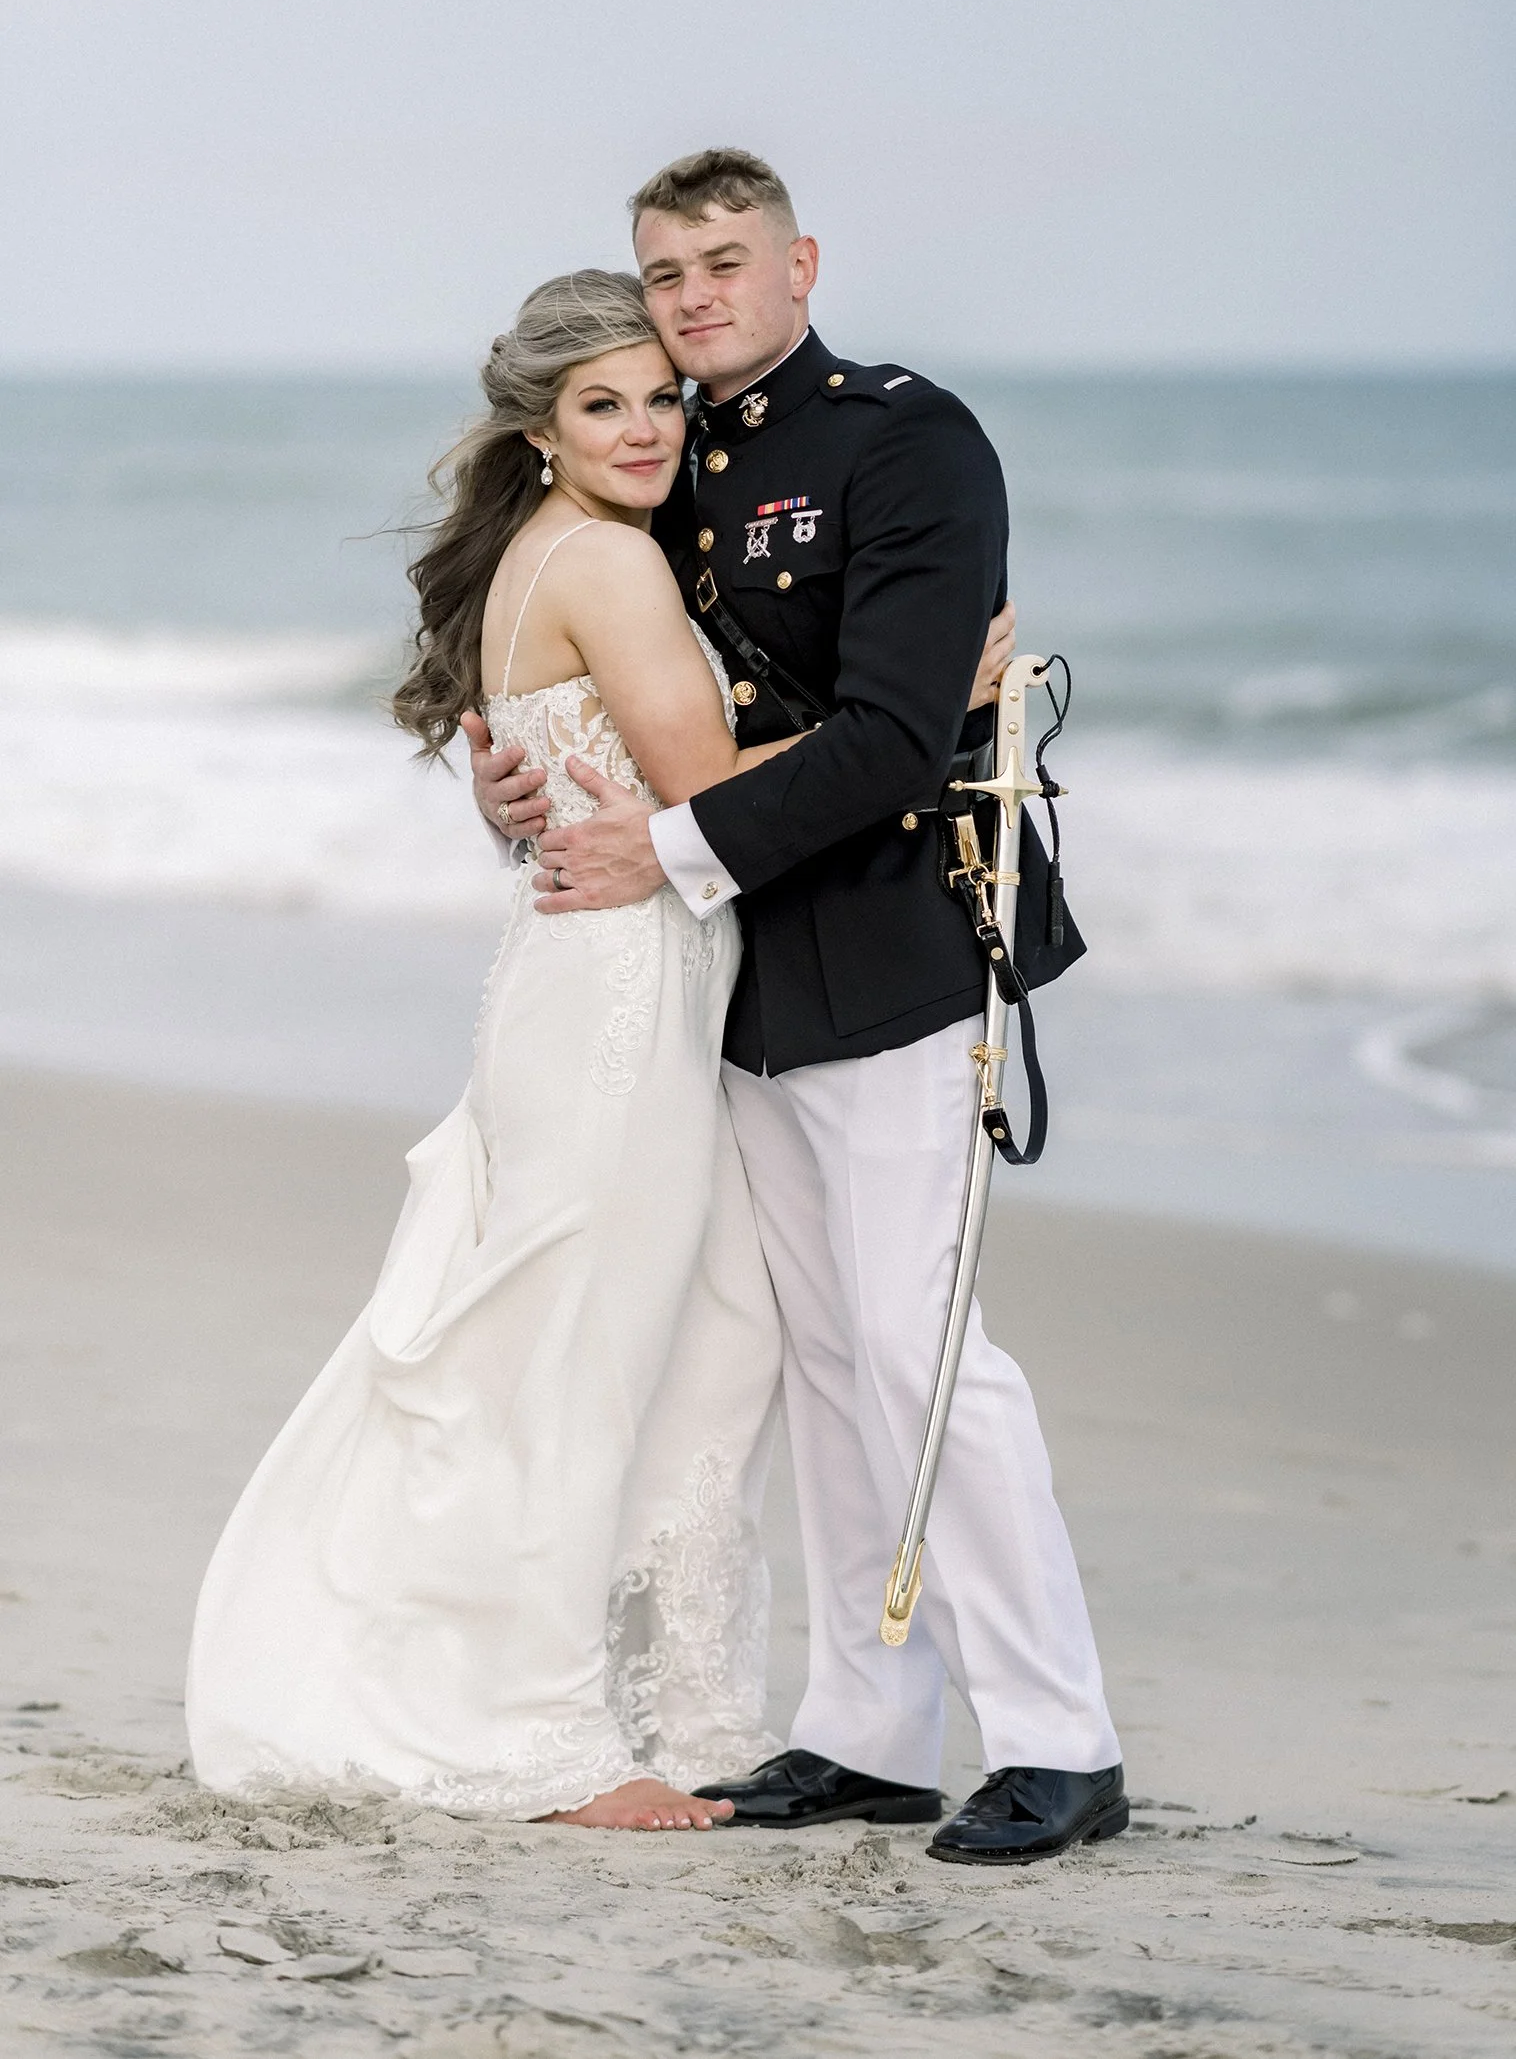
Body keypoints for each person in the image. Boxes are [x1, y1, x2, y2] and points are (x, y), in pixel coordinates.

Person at [471, 151, 1127, 1864]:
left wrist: (664, 843)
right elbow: (611, 689)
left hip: (902, 948)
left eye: (724, 261)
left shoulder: (906, 442)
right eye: (666, 271)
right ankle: (869, 1729)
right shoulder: (668, 456)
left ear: (800, 264)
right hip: (747, 973)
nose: (694, 298)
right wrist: (516, 777)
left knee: (920, 1344)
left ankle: (1061, 1739)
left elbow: (899, 737)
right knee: (825, 1358)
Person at [186, 272, 802, 1831]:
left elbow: (595, 777)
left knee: (685, 1338)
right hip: (613, 1007)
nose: (646, 428)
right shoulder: (606, 558)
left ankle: (680, 1706)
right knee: (576, 1360)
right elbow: (710, 783)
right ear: (541, 429)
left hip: (598, 985)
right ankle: (548, 1736)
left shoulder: (552, 551)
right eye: (604, 403)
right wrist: (926, 715)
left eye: (662, 397)